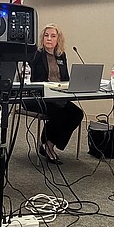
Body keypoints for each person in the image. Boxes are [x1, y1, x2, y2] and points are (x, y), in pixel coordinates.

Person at [24, 24, 85, 163]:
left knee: (77, 114)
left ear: (58, 39)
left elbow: (66, 78)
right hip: (37, 97)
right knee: (60, 114)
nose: (49, 39)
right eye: (46, 36)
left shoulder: (61, 55)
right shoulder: (36, 54)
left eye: (53, 36)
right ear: (42, 38)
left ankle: (49, 143)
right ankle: (48, 147)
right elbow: (30, 78)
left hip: (57, 96)